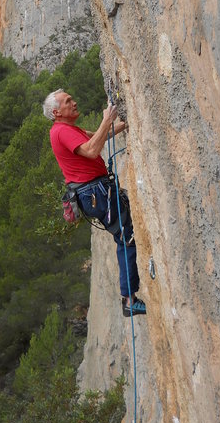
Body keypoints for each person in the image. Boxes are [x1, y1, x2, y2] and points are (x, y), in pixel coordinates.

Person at [43, 89, 146, 316]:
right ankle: (129, 299)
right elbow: (91, 150)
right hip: (94, 192)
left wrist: (124, 124)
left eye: (72, 98)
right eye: (68, 101)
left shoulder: (68, 129)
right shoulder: (61, 132)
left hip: (92, 193)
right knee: (126, 237)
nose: (74, 102)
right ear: (56, 112)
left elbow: (99, 135)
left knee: (124, 235)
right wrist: (107, 119)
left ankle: (129, 298)